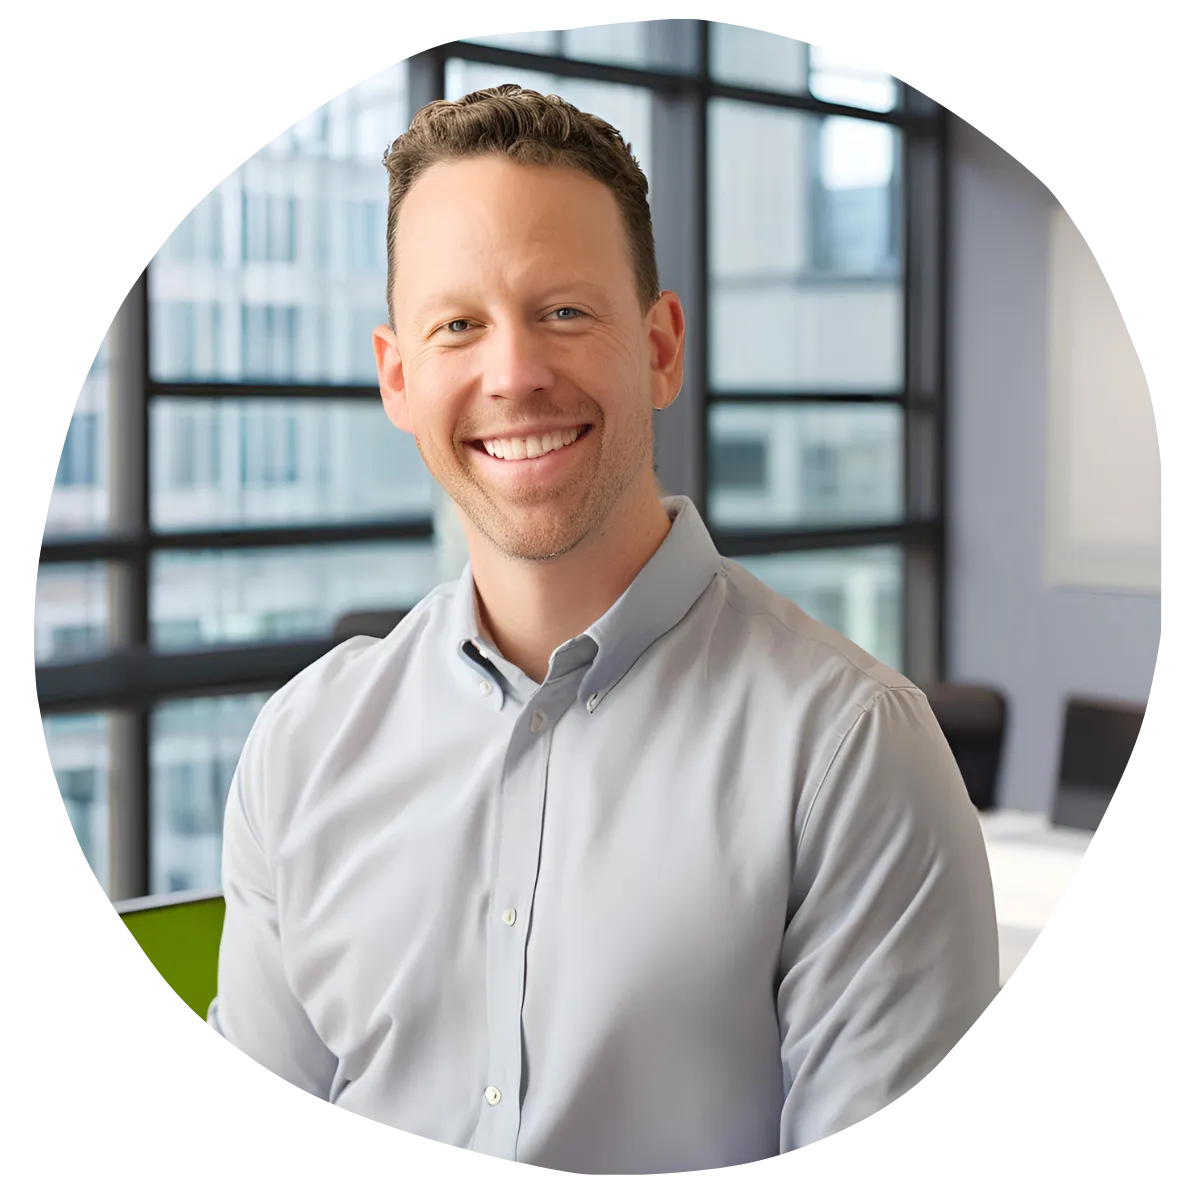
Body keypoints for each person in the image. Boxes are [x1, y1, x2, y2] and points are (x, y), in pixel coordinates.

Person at [207, 85, 1000, 1173]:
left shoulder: (851, 755)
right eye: (459, 326)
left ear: (662, 346)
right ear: (399, 376)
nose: (515, 373)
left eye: (565, 312)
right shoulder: (300, 752)